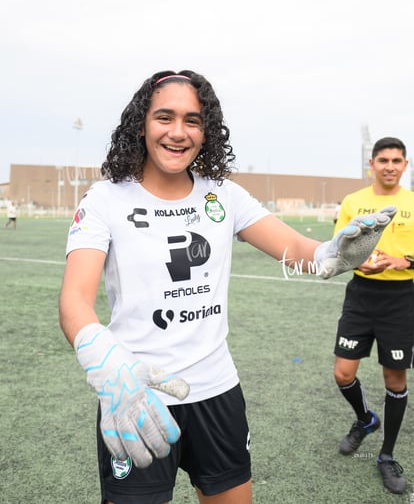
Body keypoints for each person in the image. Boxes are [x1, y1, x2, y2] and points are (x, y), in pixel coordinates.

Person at [58, 70, 393, 504]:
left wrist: (334, 254)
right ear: (141, 124)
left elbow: (296, 249)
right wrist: (105, 365)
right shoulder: (104, 199)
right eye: (164, 117)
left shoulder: (224, 196)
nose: (178, 132)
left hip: (217, 394)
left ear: (206, 130)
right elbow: (74, 300)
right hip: (134, 394)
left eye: (192, 120)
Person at [333, 136, 414, 494]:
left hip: (402, 298)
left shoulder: (412, 202)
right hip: (361, 295)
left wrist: (404, 261)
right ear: (372, 164)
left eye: (397, 161)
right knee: (342, 372)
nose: (390, 166)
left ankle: (386, 456)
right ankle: (366, 419)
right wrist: (358, 262)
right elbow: (340, 247)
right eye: (383, 160)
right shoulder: (354, 202)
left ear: (405, 165)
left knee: (394, 379)